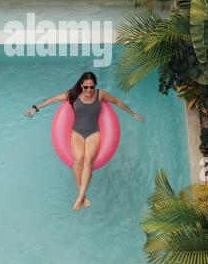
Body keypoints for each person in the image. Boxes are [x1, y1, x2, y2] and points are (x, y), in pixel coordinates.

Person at [24, 71, 145, 211]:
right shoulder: (74, 94)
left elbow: (117, 102)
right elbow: (54, 99)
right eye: (86, 87)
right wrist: (35, 108)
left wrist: (133, 114)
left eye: (91, 87)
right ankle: (82, 195)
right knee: (79, 159)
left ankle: (80, 197)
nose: (89, 90)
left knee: (88, 160)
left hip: (94, 133)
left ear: (95, 86)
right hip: (77, 132)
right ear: (81, 85)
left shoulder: (100, 95)